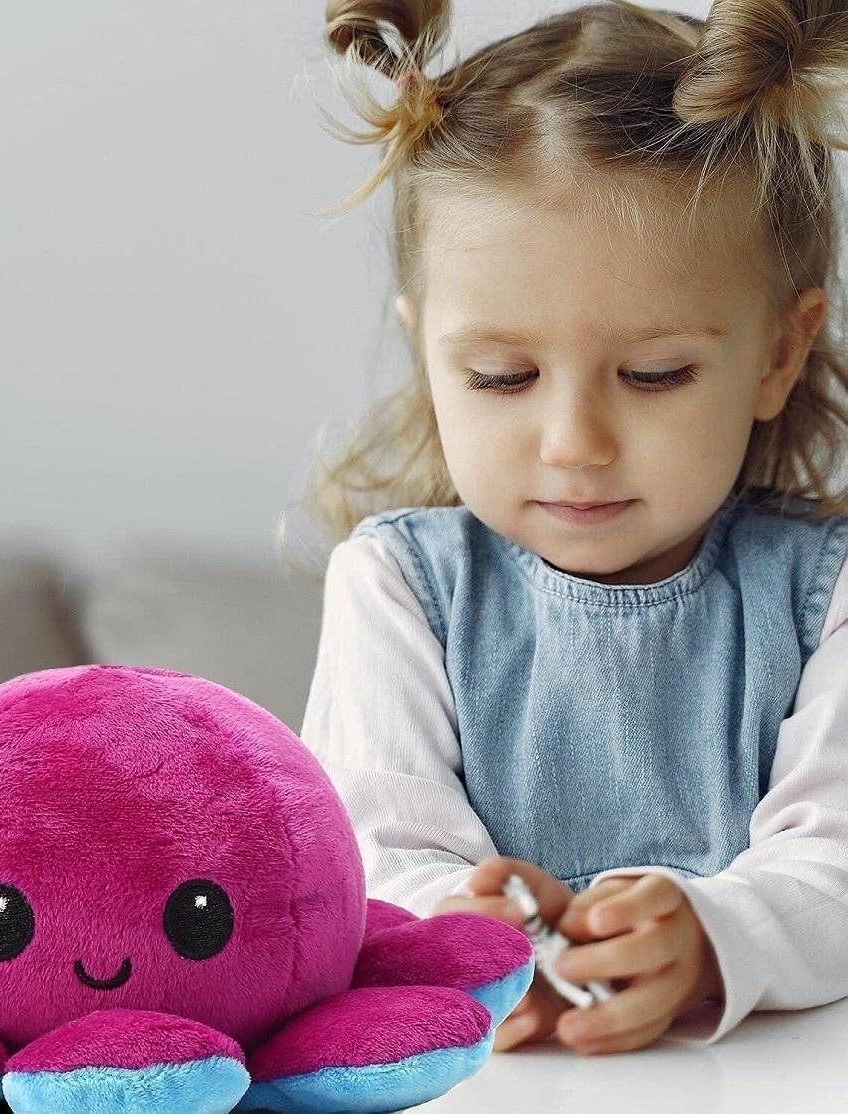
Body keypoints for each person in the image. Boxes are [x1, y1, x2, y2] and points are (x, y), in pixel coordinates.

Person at [293, 0, 848, 1058]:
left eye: (655, 373)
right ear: (427, 354)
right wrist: (469, 930)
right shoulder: (397, 586)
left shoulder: (824, 597)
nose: (574, 443)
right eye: (502, 376)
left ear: (778, 355)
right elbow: (368, 857)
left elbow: (837, 867)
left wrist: (714, 936)